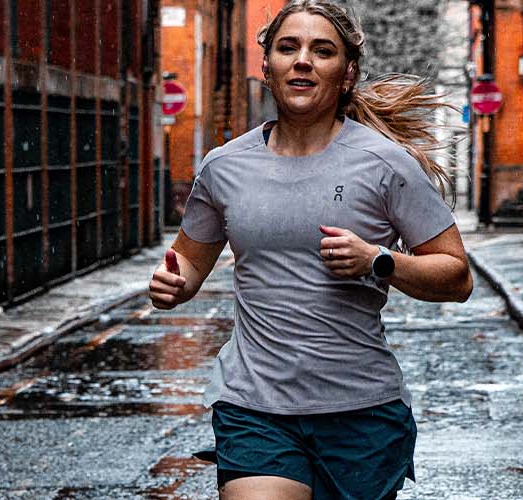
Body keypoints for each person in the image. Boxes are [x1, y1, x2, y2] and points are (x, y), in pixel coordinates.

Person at [144, 1, 471, 498]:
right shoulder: (224, 166)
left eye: (322, 50)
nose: (302, 60)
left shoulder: (385, 164)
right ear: (267, 69)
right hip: (255, 406)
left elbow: (456, 277)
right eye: (287, 47)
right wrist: (175, 282)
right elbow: (190, 257)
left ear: (346, 74)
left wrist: (379, 261)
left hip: (361, 414)